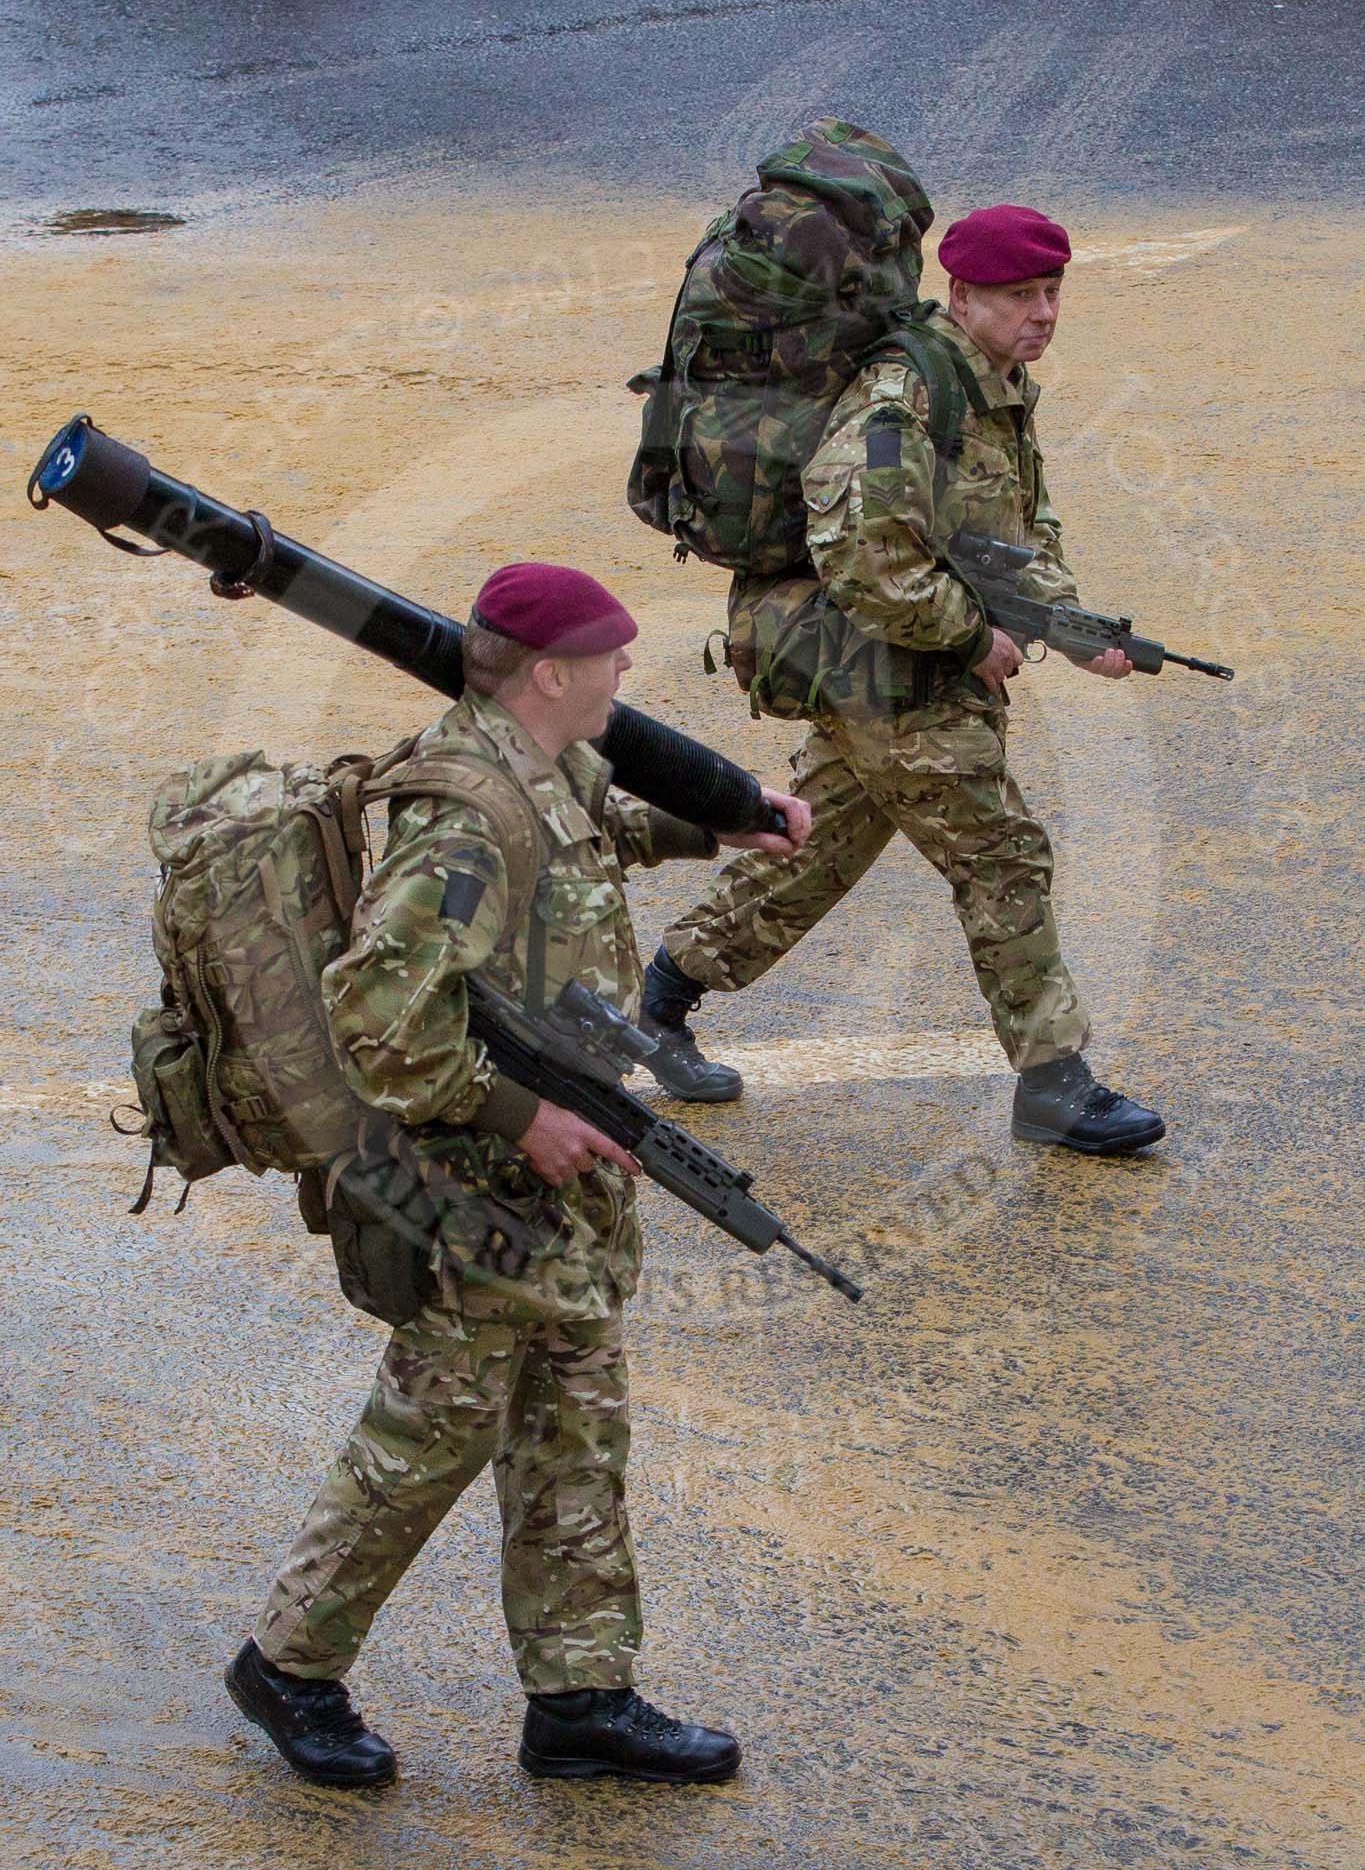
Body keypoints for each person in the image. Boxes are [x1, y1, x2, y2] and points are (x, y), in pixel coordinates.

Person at [224, 563, 809, 1789]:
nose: (625, 676)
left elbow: (597, 837)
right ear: (552, 673)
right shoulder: (469, 811)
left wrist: (721, 820)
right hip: (476, 1184)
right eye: (611, 656)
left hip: (553, 1189)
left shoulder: (546, 766)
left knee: (575, 1427)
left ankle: (583, 1696)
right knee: (427, 1433)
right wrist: (519, 1111)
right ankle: (287, 1661)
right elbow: (378, 1018)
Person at [641, 204, 1165, 1155]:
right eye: (1019, 295)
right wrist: (973, 639)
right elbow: (858, 554)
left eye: (1052, 292)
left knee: (814, 845)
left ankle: (663, 996)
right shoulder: (905, 395)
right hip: (883, 673)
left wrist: (1073, 629)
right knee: (1002, 857)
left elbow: (1007, 536)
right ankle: (1053, 1083)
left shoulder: (994, 382)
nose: (1042, 312)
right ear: (962, 295)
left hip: (895, 669)